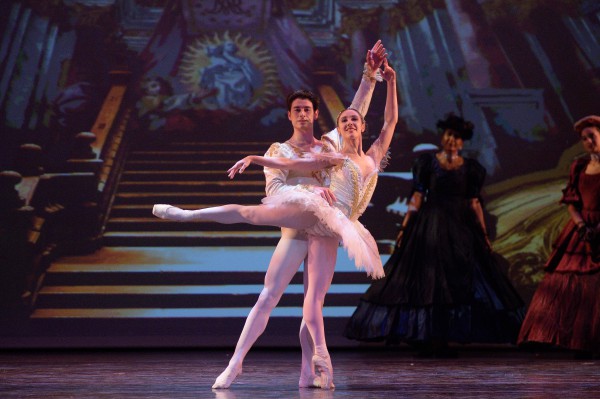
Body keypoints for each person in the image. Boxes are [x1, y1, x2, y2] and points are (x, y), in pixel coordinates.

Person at [153, 40, 387, 389]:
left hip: (326, 229)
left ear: (315, 114)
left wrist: (370, 75)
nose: (304, 115)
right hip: (295, 230)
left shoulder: (330, 145)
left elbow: (357, 110)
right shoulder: (279, 150)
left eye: (309, 109)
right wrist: (310, 191)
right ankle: (235, 364)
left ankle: (309, 371)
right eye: (298, 110)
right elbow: (274, 194)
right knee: (269, 295)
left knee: (314, 305)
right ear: (290, 116)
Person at [344, 113, 525, 356]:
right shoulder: (427, 164)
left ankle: (448, 334)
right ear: (443, 136)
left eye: (457, 137)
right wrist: (406, 226)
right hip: (430, 225)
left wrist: (483, 235)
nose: (452, 140)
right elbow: (417, 197)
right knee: (430, 280)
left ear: (462, 142)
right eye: (449, 135)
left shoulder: (471, 169)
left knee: (456, 279)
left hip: (460, 228)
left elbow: (474, 203)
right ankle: (429, 336)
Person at [518, 115, 600, 357]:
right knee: (569, 284)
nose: (588, 141)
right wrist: (581, 225)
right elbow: (572, 201)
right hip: (580, 229)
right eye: (584, 138)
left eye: (592, 136)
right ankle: (574, 343)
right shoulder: (579, 166)